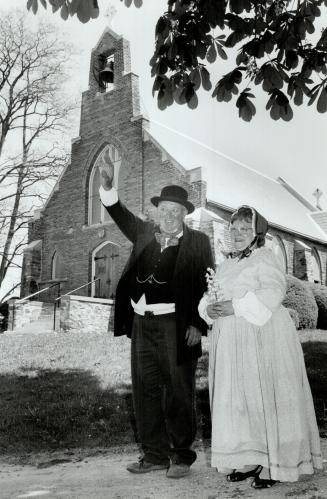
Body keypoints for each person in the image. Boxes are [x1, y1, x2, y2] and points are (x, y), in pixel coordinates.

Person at [99, 161, 214, 478]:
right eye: (165, 209)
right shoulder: (143, 232)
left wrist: (198, 324)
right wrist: (108, 188)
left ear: (184, 214)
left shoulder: (199, 243)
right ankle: (154, 455)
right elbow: (119, 213)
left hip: (176, 326)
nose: (170, 215)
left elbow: (208, 284)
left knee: (179, 391)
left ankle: (181, 456)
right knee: (145, 389)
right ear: (157, 210)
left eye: (176, 210)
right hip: (141, 322)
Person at [198, 205, 322, 489]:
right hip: (232, 343)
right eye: (234, 229)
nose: (238, 234)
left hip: (263, 338)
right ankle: (250, 457)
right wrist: (209, 308)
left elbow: (274, 292)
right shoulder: (227, 264)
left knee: (267, 397)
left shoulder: (266, 258)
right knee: (243, 400)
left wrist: (235, 306)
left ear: (256, 234)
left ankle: (273, 464)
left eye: (245, 229)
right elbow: (211, 294)